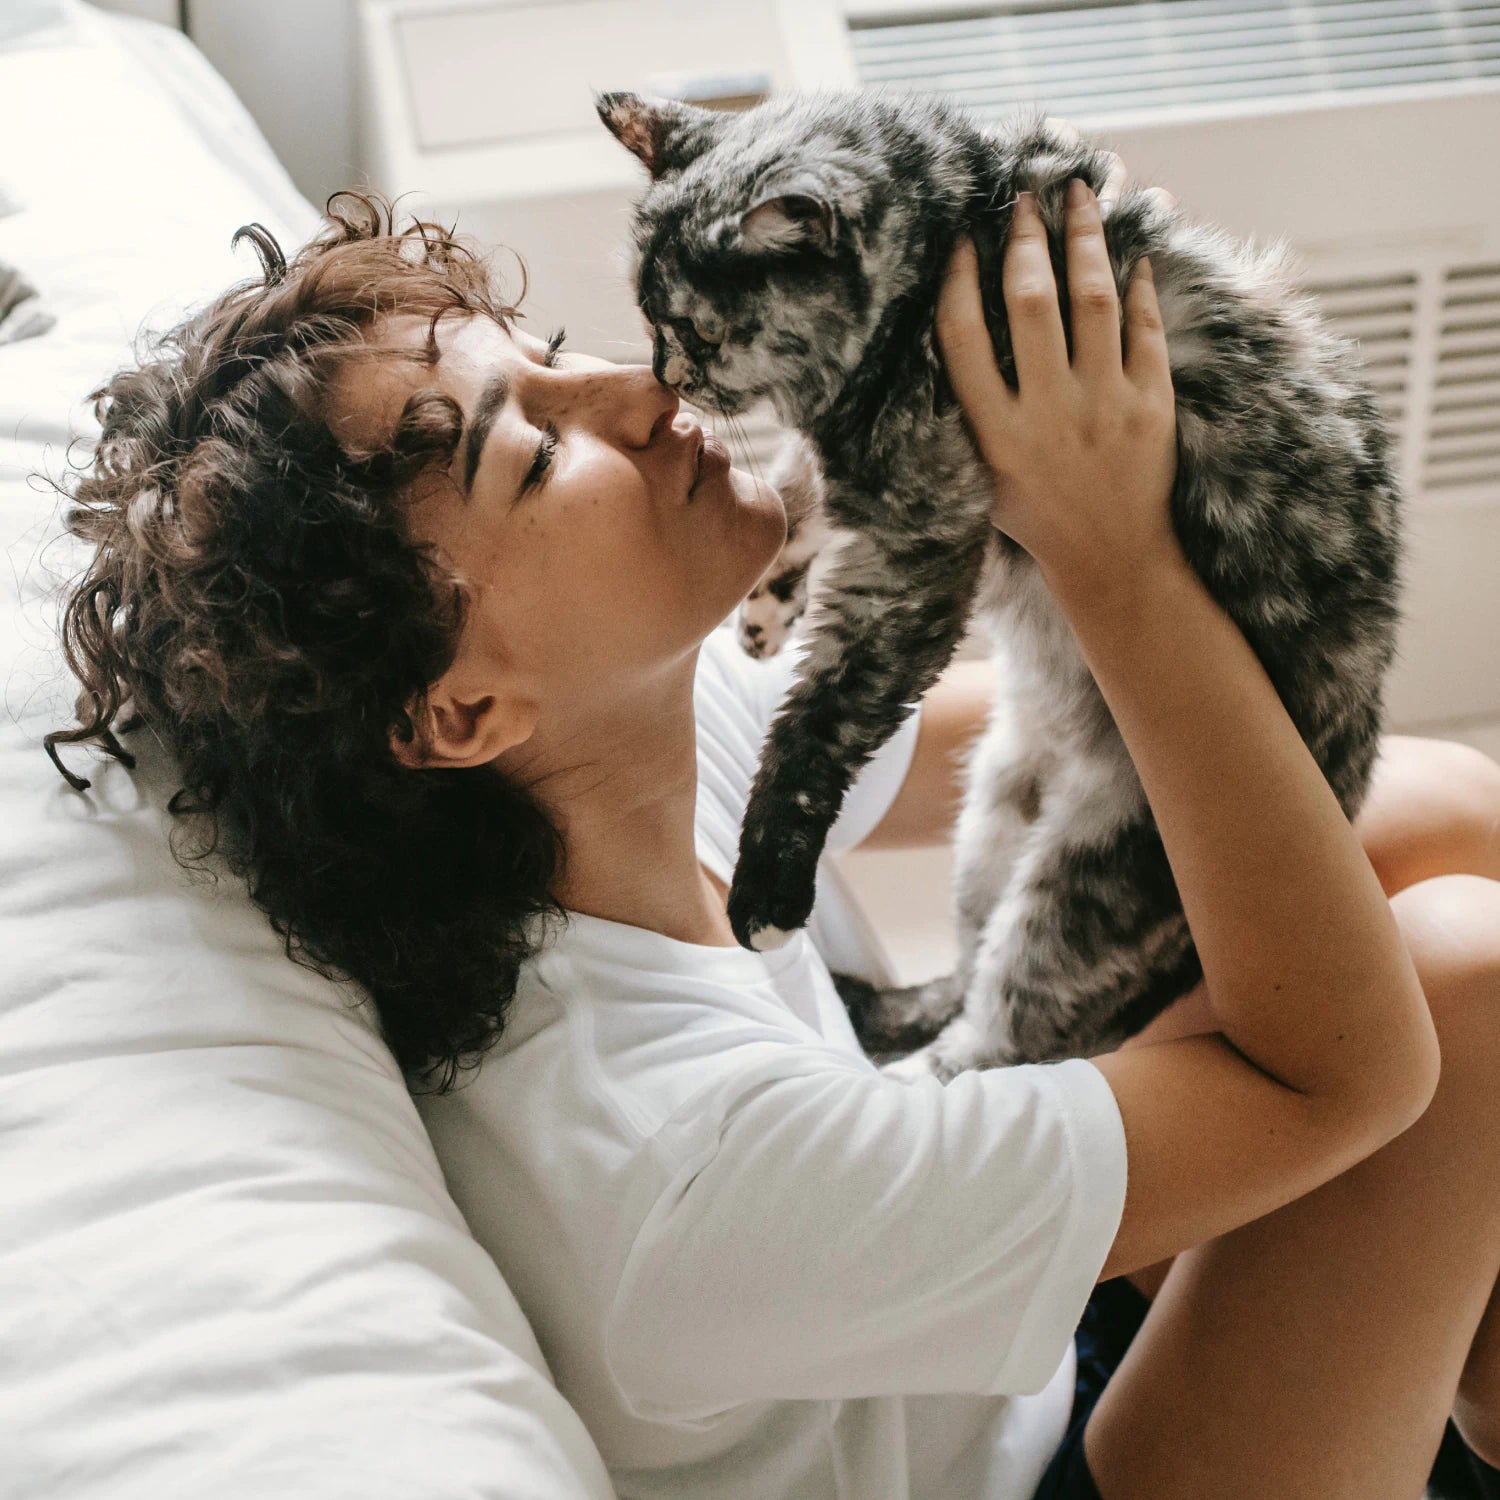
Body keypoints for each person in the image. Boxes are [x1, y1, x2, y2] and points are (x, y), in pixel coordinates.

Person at [44, 162, 1500, 1499]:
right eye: (536, 456)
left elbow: (1093, 761)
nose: (639, 389)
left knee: (1431, 810)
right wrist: (1107, 551)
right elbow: (1340, 1081)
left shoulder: (609, 759)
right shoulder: (681, 1173)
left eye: (548, 358)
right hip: (1007, 1469)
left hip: (943, 1329)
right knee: (1463, 984)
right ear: (464, 708)